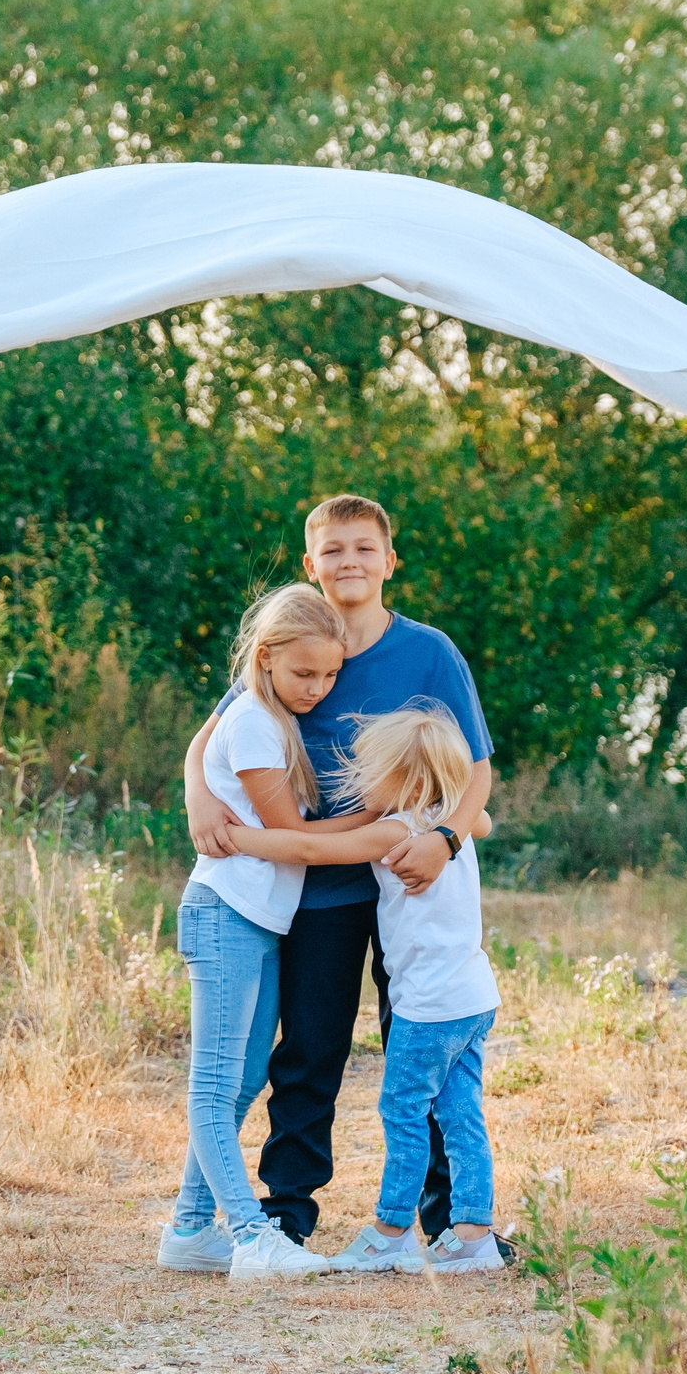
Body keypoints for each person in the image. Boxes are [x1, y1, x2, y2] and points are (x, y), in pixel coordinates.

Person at [183, 495, 494, 1243]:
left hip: (408, 880)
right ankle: (287, 1212)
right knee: (309, 1049)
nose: (348, 560)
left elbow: (478, 771)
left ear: (390, 561)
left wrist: (445, 838)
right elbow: (207, 738)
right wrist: (198, 797)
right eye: (333, 549)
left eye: (364, 548)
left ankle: (445, 1218)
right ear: (310, 564)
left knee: (419, 1047)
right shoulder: (297, 641)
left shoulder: (429, 652)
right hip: (317, 888)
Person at [227, 708, 503, 1274]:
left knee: (403, 1112)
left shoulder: (397, 830)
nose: (361, 782)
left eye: (373, 773)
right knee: (461, 1115)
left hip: (427, 1006)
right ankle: (473, 1235)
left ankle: (390, 1230)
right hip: (473, 997)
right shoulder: (455, 824)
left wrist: (238, 838)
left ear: (409, 784)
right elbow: (485, 821)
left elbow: (312, 852)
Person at [156, 585, 349, 1281]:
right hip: (224, 913)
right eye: (304, 672)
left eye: (329, 674)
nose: (317, 688)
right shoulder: (255, 722)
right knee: (214, 1086)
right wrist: (386, 823)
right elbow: (294, 839)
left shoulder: (274, 716)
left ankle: (188, 1230)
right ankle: (250, 1235)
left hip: (261, 921)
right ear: (265, 657)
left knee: (243, 1080)